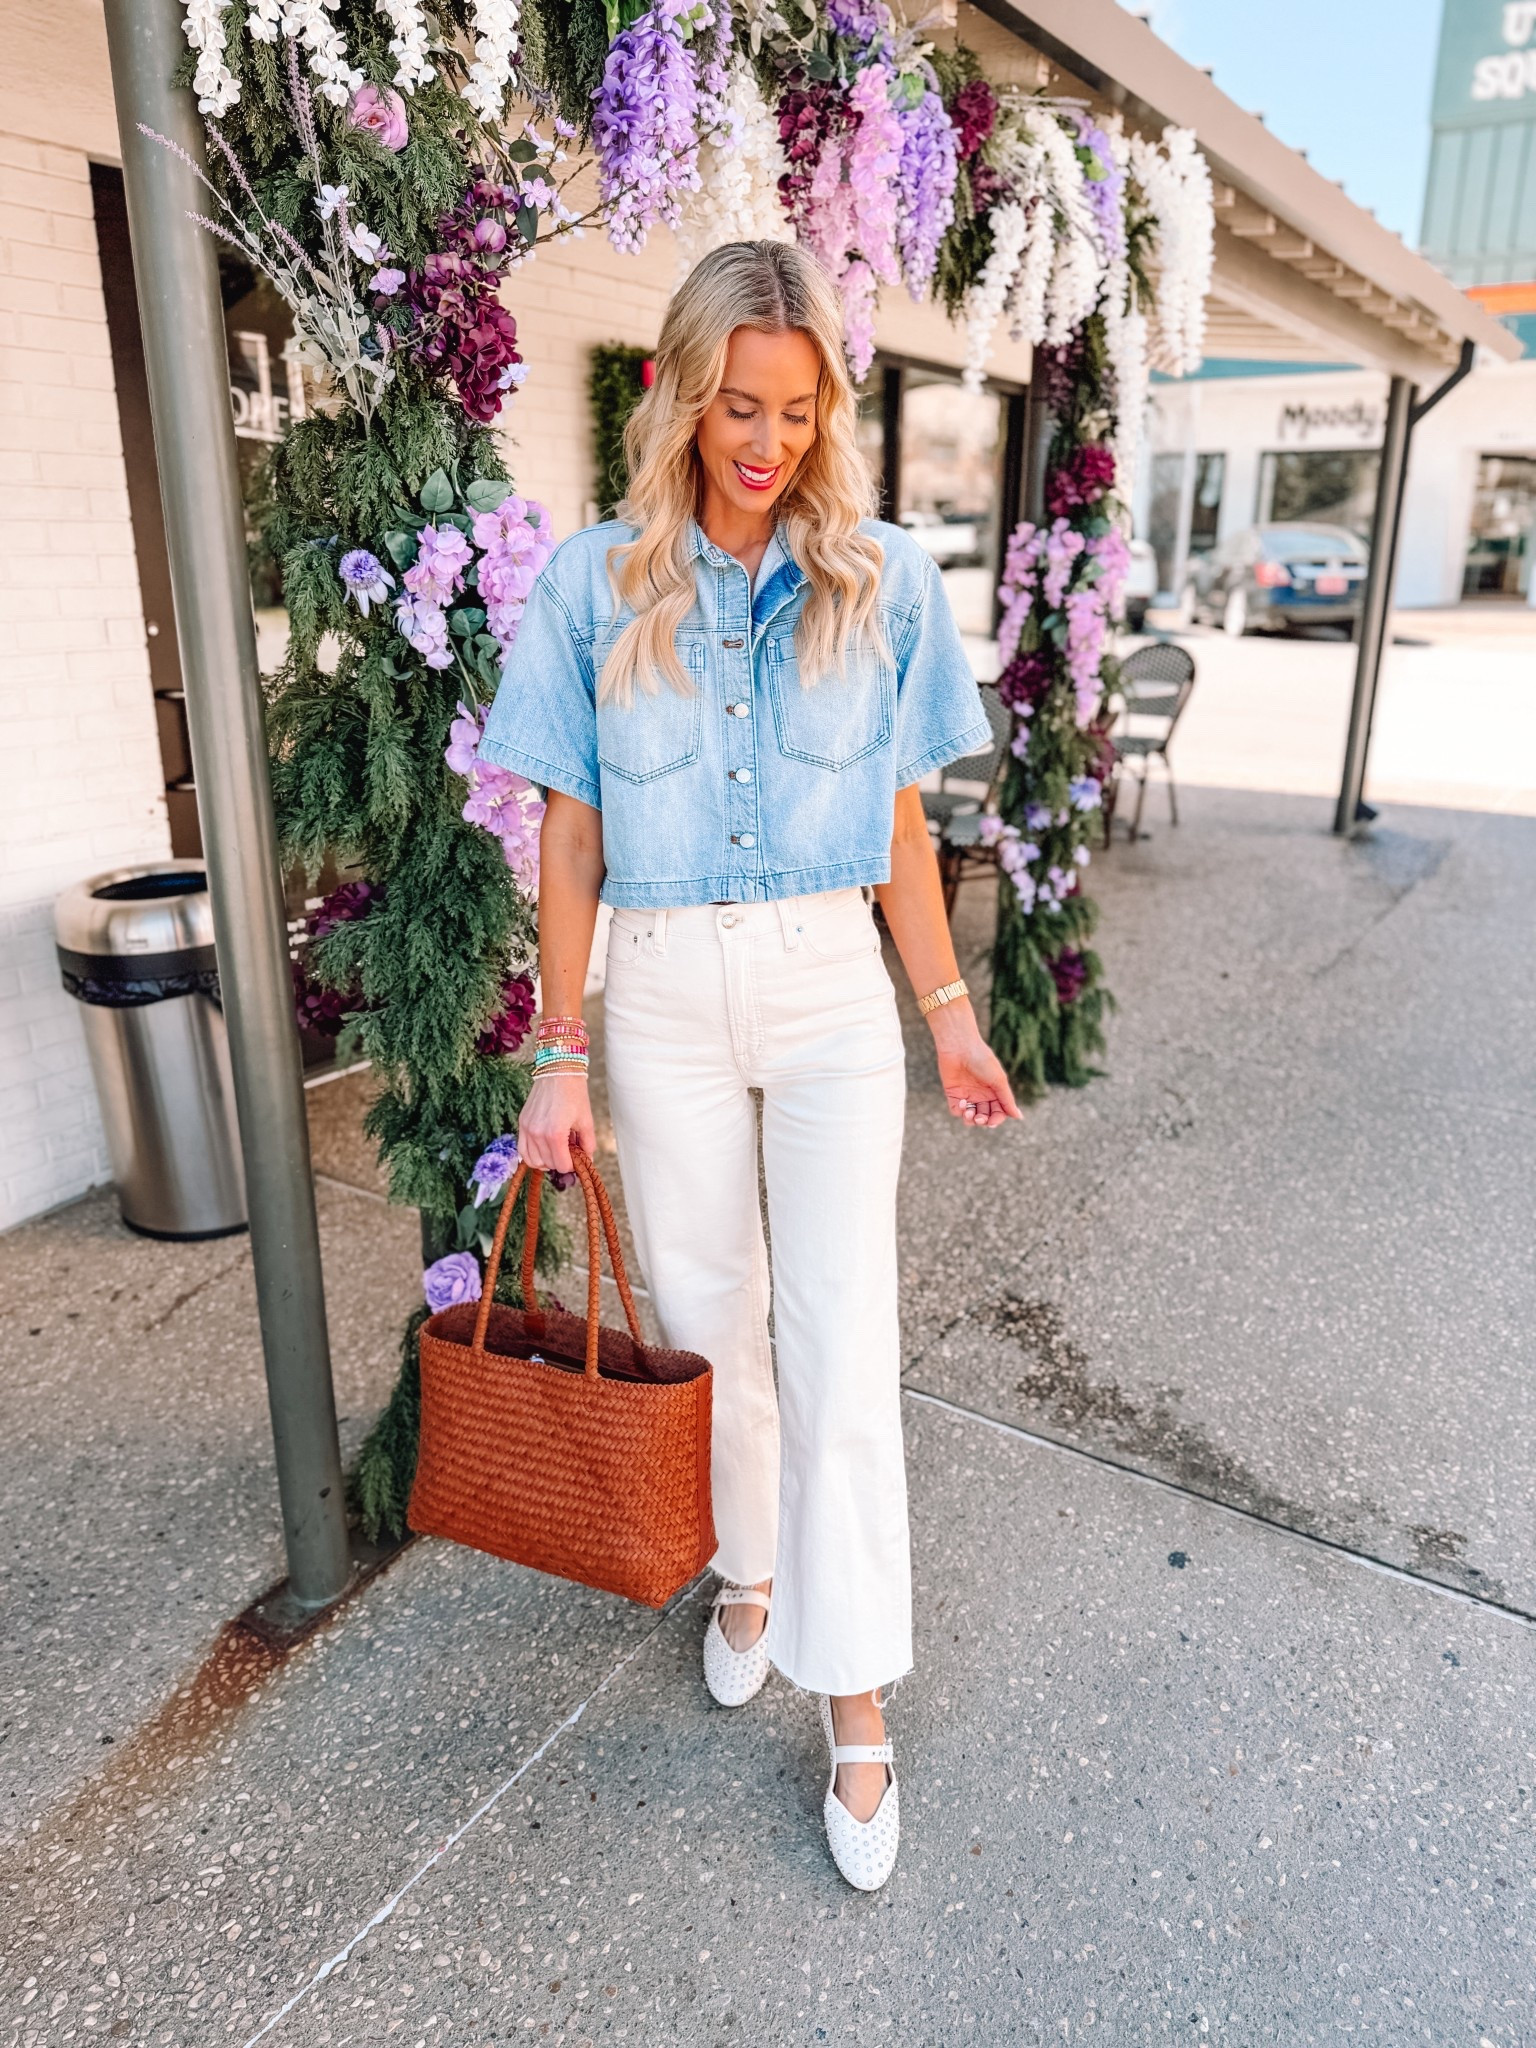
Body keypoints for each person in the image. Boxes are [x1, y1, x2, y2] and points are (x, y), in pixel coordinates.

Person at [480, 239, 1020, 1891]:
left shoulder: (885, 580)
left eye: (794, 409)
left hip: (825, 986)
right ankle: (751, 1570)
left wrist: (950, 1015)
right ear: (682, 391)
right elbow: (569, 833)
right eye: (736, 404)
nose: (764, 440)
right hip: (651, 982)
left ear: (826, 410)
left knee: (839, 1333)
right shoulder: (593, 583)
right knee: (714, 1326)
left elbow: (903, 831)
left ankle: (855, 1711)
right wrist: (555, 1052)